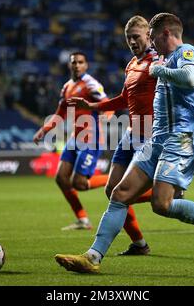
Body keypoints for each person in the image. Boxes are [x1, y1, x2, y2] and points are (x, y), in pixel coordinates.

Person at [55, 13, 194, 273]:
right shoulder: (146, 62)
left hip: (178, 139)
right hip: (154, 137)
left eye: (149, 37)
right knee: (118, 194)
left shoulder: (185, 53)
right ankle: (92, 257)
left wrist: (186, 113)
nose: (148, 43)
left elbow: (192, 81)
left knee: (161, 205)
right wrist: (190, 109)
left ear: (163, 33)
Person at [68, 16, 156, 255]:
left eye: (136, 37)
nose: (132, 42)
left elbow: (177, 94)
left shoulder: (159, 63)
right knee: (111, 190)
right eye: (128, 39)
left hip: (150, 135)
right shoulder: (131, 65)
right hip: (130, 134)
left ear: (149, 35)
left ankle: (163, 195)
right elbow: (124, 100)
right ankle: (139, 244)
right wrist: (93, 106)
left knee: (125, 194)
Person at [33, 52, 111, 231]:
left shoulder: (91, 83)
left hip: (90, 139)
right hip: (74, 139)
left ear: (86, 65)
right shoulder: (67, 87)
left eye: (80, 62)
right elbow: (60, 113)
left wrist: (107, 115)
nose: (77, 65)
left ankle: (117, 178)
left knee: (79, 183)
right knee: (61, 178)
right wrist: (43, 130)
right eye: (74, 62)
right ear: (69, 65)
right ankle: (83, 220)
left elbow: (106, 102)